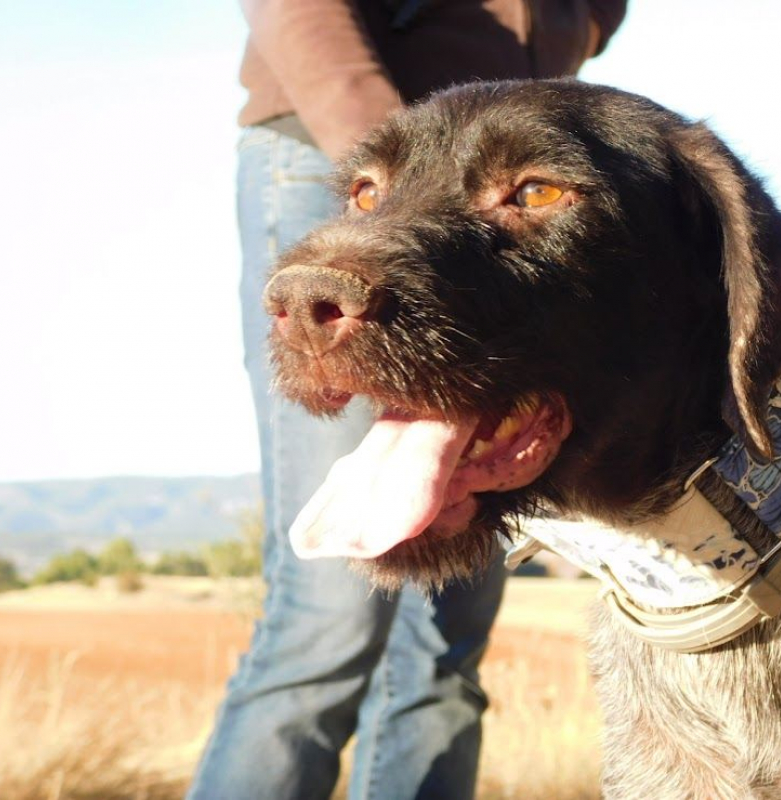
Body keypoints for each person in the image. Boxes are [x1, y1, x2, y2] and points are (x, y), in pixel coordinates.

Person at [188, 2, 627, 798]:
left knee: (449, 631)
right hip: (343, 149)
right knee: (330, 609)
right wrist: (409, 182)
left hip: (497, 188)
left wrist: (574, 38)